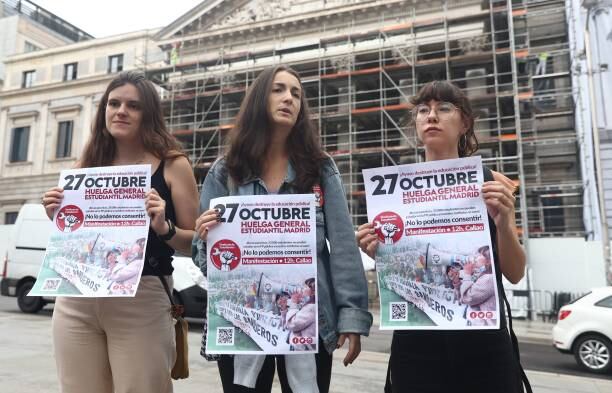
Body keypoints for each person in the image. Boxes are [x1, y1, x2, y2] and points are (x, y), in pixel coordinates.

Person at [193, 65, 372, 393]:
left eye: (296, 93)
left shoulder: (320, 168)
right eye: (278, 89)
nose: (288, 98)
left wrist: (352, 316)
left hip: (310, 319)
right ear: (259, 98)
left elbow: (344, 247)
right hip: (241, 320)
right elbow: (203, 258)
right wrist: (206, 239)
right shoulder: (225, 171)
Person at [356, 81, 530, 393]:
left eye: (443, 108)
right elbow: (400, 268)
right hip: (417, 337)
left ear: (464, 123)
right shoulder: (393, 192)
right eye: (424, 110)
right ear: (416, 124)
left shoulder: (490, 182)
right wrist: (378, 254)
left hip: (481, 339)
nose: (431, 116)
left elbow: (515, 273)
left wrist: (504, 223)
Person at [41, 71, 199, 393]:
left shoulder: (172, 164)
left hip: (141, 296)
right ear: (103, 111)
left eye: (133, 105)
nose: (120, 111)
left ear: (149, 114)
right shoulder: (86, 163)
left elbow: (196, 242)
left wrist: (165, 228)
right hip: (76, 297)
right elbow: (74, 231)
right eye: (113, 103)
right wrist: (55, 212)